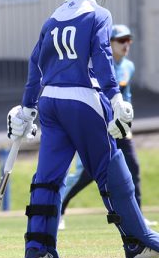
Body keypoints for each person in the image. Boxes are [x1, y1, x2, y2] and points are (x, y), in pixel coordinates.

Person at [6, 0, 159, 258]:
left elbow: (36, 64)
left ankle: (38, 250)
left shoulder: (52, 18)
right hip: (84, 100)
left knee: (47, 178)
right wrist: (115, 98)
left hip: (50, 102)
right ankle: (138, 243)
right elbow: (102, 57)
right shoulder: (98, 14)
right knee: (113, 169)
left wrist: (27, 108)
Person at [59, 24, 156, 230]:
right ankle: (58, 211)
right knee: (85, 175)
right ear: (109, 43)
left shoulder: (128, 66)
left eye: (128, 40)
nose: (126, 44)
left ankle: (137, 217)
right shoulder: (101, 65)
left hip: (121, 127)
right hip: (100, 127)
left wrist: (126, 122)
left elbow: (126, 96)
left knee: (133, 168)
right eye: (121, 40)